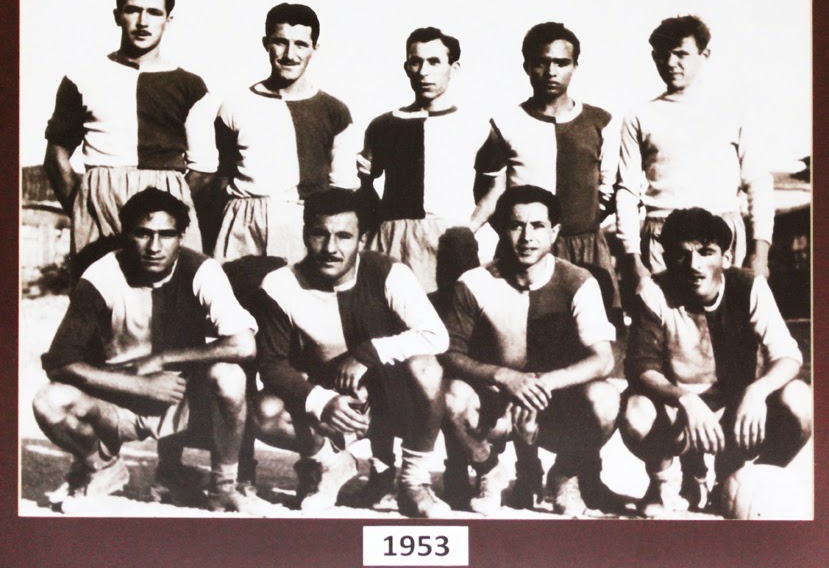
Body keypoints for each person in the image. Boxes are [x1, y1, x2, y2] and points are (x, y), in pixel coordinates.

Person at [32, 188, 268, 515]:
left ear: (181, 237)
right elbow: (60, 363)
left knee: (230, 376)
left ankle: (223, 486)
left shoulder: (201, 270)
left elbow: (243, 344)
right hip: (119, 400)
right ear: (126, 235)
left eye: (166, 235)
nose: (155, 246)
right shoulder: (101, 275)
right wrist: (140, 384)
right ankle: (100, 467)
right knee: (48, 400)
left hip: (181, 400)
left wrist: (163, 359)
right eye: (143, 233)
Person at [253, 188, 451, 517]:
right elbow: (272, 365)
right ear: (305, 234)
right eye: (320, 234)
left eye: (344, 236)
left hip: (391, 399)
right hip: (331, 401)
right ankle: (331, 462)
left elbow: (436, 336)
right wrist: (322, 400)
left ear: (363, 239)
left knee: (427, 369)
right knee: (264, 411)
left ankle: (413, 479)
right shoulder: (280, 284)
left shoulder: (389, 272)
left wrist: (367, 353)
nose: (331, 248)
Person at [620, 207, 811, 517]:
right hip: (680, 415)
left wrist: (757, 391)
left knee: (800, 401)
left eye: (706, 252)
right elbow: (641, 368)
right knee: (636, 411)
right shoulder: (654, 292)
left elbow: (788, 355)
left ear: (727, 256)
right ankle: (666, 483)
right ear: (667, 259)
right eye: (682, 255)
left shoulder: (748, 287)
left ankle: (742, 479)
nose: (694, 265)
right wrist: (686, 399)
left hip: (736, 412)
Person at [442, 186, 620, 516]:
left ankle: (563, 475)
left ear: (554, 231)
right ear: (500, 229)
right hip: (495, 404)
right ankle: (489, 470)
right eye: (516, 225)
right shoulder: (475, 282)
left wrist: (544, 383)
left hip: (553, 406)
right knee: (451, 395)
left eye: (538, 226)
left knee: (606, 400)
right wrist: (502, 376)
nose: (527, 237)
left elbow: (603, 359)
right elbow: (449, 353)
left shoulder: (579, 281)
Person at [43, 0, 217, 260]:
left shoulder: (190, 85)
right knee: (99, 284)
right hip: (100, 199)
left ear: (168, 19)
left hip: (165, 202)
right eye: (133, 10)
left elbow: (204, 169)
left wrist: (172, 208)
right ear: (117, 16)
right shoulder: (82, 78)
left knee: (172, 286)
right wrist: (83, 206)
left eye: (154, 12)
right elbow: (56, 156)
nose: (143, 22)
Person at [615, 15, 774, 293]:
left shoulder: (733, 110)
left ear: (704, 54)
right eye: (663, 54)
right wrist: (632, 258)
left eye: (681, 54)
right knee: (665, 316)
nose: (670, 62)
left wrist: (760, 255)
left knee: (726, 315)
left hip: (722, 232)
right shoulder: (639, 115)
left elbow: (758, 182)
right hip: (662, 235)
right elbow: (627, 191)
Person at [477, 22, 621, 318]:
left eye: (561, 63)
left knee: (593, 329)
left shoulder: (600, 121)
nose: (551, 71)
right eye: (541, 63)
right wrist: (518, 232)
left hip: (585, 248)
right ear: (527, 67)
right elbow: (487, 190)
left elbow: (610, 188)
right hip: (524, 249)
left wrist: (583, 223)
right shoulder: (505, 124)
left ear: (575, 66)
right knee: (517, 326)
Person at [358, 27, 504, 294]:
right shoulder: (383, 125)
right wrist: (379, 229)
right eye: (416, 62)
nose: (424, 71)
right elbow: (363, 183)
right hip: (394, 241)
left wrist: (469, 227)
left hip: (450, 242)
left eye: (434, 62)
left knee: (453, 311)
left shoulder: (475, 125)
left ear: (453, 67)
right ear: (407, 67)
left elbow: (497, 184)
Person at [213, 3, 360, 264]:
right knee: (235, 285)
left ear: (315, 47)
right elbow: (221, 176)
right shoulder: (235, 105)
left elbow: (343, 186)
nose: (290, 54)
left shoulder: (334, 110)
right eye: (280, 42)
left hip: (301, 222)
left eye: (301, 45)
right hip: (242, 221)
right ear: (266, 44)